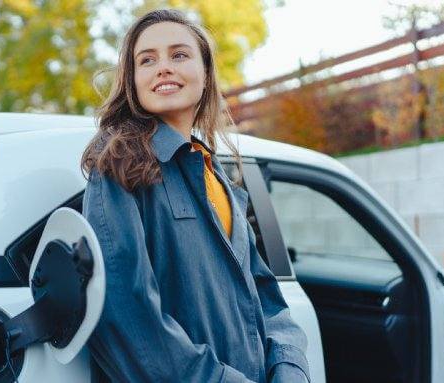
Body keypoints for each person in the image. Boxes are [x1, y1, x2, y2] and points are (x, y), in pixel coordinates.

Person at [79, 8, 310, 383]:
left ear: (205, 74)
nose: (163, 67)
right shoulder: (117, 164)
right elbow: (123, 312)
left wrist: (288, 366)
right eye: (147, 60)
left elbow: (266, 297)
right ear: (133, 80)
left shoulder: (218, 178)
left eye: (179, 55)